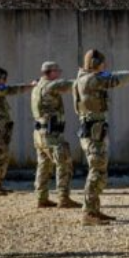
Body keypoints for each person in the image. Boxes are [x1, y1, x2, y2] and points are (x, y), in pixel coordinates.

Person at [74, 49, 129, 225]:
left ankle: (94, 210)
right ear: (95, 64)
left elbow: (108, 76)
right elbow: (113, 79)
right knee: (96, 171)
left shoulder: (84, 78)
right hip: (93, 131)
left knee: (99, 170)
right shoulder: (91, 79)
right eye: (102, 63)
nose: (104, 66)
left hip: (94, 129)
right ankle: (89, 213)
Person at [31, 61, 79, 209]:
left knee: (43, 165)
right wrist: (86, 75)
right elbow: (75, 84)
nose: (59, 73)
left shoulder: (37, 86)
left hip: (39, 133)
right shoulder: (51, 85)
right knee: (63, 163)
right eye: (57, 71)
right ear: (50, 72)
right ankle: (63, 198)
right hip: (52, 134)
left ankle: (41, 198)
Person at [0, 67, 35, 196]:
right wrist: (30, 86)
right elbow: (12, 89)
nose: (5, 82)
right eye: (4, 79)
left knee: (1, 156)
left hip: (1, 127)